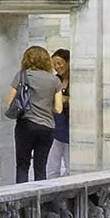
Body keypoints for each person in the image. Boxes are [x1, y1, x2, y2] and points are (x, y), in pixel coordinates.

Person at [5, 44, 62, 183]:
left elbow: (9, 101)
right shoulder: (55, 80)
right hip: (47, 126)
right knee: (41, 167)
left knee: (23, 165)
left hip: (26, 124)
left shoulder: (22, 75)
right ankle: (40, 202)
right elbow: (58, 109)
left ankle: (22, 201)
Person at [47, 50, 73, 178]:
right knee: (52, 165)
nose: (57, 67)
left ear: (68, 62)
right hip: (56, 124)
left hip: (71, 125)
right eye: (54, 64)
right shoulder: (55, 80)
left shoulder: (76, 79)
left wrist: (68, 100)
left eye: (59, 63)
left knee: (71, 165)